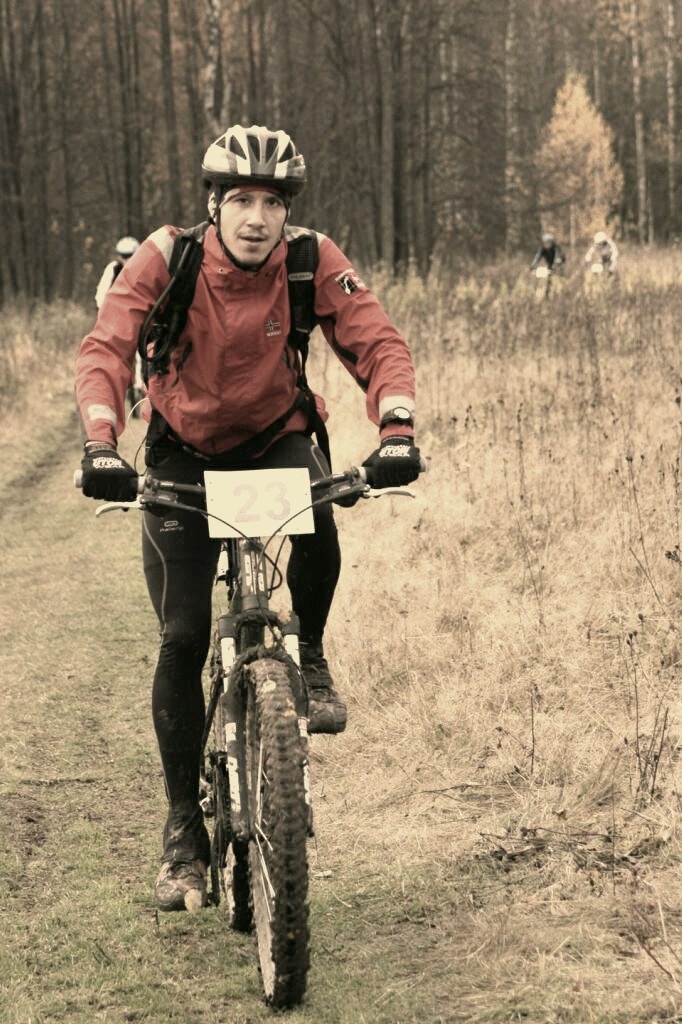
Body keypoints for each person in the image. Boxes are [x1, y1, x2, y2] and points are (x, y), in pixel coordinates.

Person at [75, 123, 421, 913]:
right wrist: (100, 443)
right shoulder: (167, 258)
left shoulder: (310, 259)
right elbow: (106, 349)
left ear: (287, 210)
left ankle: (313, 653)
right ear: (214, 205)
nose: (257, 218)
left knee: (320, 509)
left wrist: (397, 427)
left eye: (272, 202)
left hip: (274, 437)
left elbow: (376, 342)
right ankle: (181, 834)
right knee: (183, 637)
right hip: (181, 452)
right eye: (241, 200)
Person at [95, 236, 144, 415]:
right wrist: (107, 318)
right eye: (124, 256)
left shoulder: (144, 268)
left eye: (131, 255)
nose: (127, 260)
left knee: (142, 353)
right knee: (115, 355)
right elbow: (101, 296)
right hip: (117, 319)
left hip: (140, 317)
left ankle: (139, 387)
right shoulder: (113, 270)